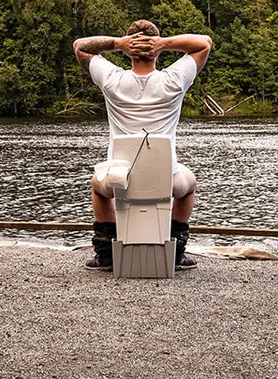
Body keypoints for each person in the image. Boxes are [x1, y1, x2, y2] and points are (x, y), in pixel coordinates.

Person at [73, 20, 212, 271]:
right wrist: (165, 44)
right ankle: (177, 250)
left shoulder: (112, 80)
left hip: (119, 181)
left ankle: (105, 252)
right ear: (156, 52)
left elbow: (80, 47)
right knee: (189, 186)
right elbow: (204, 44)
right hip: (165, 181)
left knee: (97, 185)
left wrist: (117, 44)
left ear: (129, 52)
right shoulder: (174, 80)